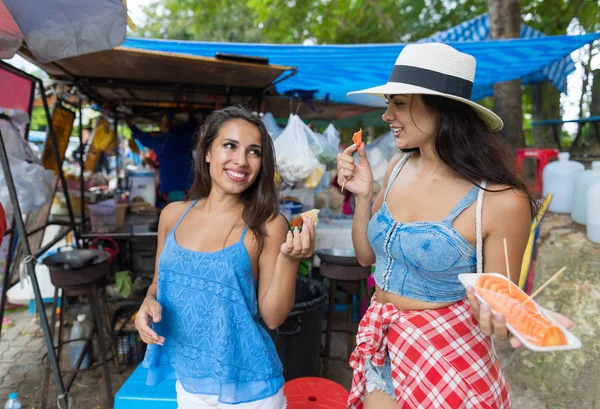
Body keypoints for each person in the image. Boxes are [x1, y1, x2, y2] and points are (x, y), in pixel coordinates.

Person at [337, 43, 574, 409]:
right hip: (382, 344)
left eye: (398, 103)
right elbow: (367, 256)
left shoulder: (500, 201)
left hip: (450, 364)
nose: (387, 116)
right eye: (389, 102)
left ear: (441, 109)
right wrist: (364, 196)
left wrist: (514, 318)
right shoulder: (397, 168)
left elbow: (501, 305)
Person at [135, 105, 315, 409]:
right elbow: (157, 284)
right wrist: (146, 304)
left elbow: (273, 317)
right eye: (230, 145)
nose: (241, 161)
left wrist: (289, 259)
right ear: (207, 153)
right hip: (190, 384)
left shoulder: (268, 224)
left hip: (250, 391)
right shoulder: (172, 215)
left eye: (254, 152)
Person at [127, 112, 198, 204]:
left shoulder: (160, 140)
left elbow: (143, 137)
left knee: (176, 215)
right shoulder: (184, 133)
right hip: (190, 186)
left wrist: (132, 126)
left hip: (172, 187)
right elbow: (193, 123)